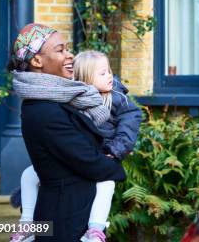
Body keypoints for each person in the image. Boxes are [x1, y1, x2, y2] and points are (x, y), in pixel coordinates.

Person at [7, 24, 126, 241]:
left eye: (67, 48)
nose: (70, 55)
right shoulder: (44, 111)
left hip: (74, 213)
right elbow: (88, 161)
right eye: (60, 50)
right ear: (37, 61)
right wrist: (115, 166)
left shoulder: (61, 98)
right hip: (64, 221)